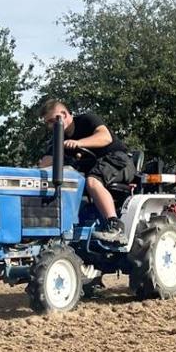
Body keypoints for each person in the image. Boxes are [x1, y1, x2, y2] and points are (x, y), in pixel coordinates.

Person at [38, 100, 136, 245]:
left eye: (53, 120)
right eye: (48, 123)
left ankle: (115, 226)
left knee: (92, 181)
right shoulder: (58, 138)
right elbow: (46, 161)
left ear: (64, 114)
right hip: (91, 167)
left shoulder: (87, 120)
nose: (51, 126)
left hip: (117, 161)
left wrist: (79, 143)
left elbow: (105, 137)